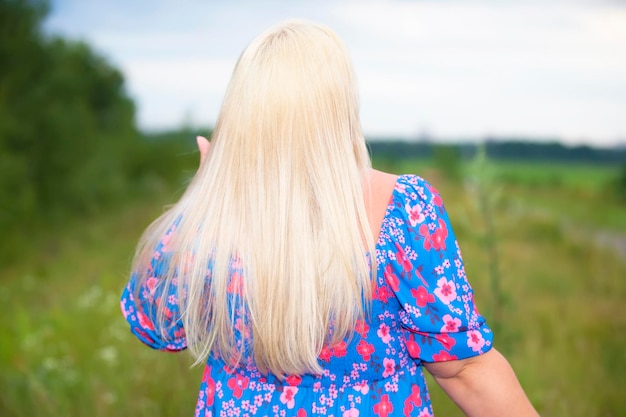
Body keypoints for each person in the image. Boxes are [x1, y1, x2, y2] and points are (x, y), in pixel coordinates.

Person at [120, 19, 539, 416]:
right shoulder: (404, 209)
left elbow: (156, 325)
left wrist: (203, 196)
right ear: (339, 106)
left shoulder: (216, 218)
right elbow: (464, 369)